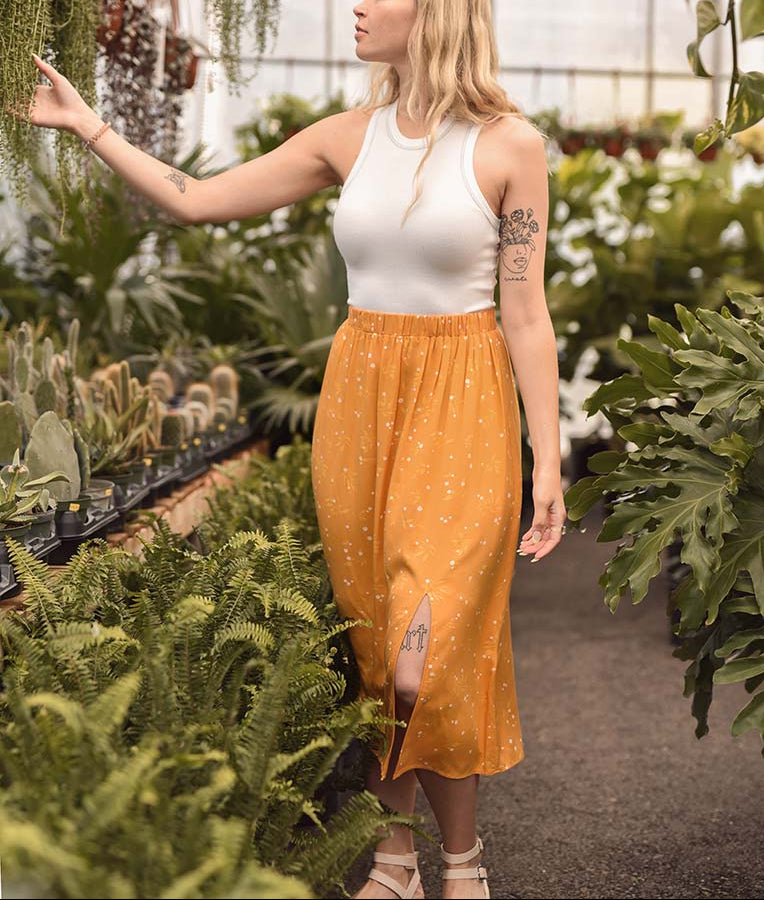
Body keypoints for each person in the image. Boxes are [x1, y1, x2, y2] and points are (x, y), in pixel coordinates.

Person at [13, 1, 566, 896]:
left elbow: (526, 314)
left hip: (462, 405)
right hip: (360, 401)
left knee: (426, 656)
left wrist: (549, 458)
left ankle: (456, 858)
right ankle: (408, 863)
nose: (354, 4)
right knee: (381, 645)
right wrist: (91, 127)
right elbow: (195, 202)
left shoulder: (511, 147)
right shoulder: (346, 138)